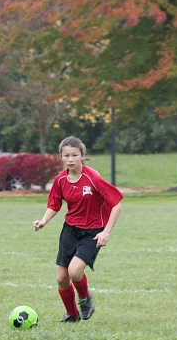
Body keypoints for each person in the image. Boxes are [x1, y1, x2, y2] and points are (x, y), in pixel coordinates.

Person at [33, 136, 123, 322]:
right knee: (61, 279)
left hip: (93, 232)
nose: (71, 159)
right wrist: (43, 221)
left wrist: (106, 232)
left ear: (82, 155)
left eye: (75, 155)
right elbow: (54, 204)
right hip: (70, 231)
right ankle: (72, 314)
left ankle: (85, 298)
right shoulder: (60, 180)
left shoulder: (93, 178)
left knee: (75, 272)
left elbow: (116, 204)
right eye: (67, 155)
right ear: (61, 157)